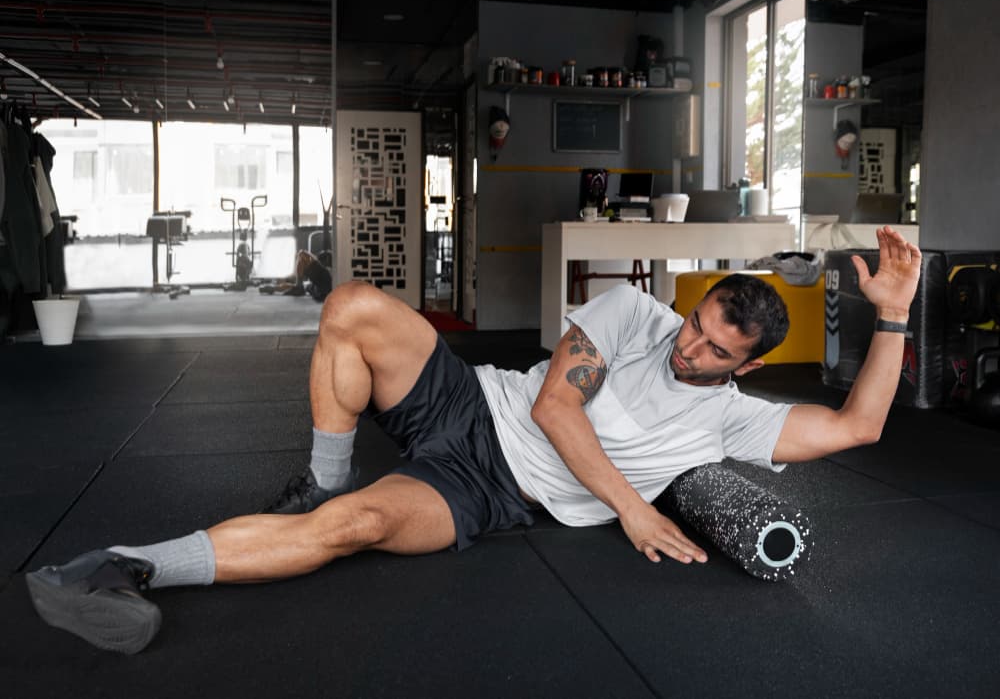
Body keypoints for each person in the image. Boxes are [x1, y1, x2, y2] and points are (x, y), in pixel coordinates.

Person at [26, 226, 922, 654]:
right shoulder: (633, 311)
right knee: (351, 307)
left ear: (749, 366)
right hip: (470, 402)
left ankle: (122, 562)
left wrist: (892, 320)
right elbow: (555, 410)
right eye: (694, 326)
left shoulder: (736, 418)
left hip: (493, 497)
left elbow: (859, 425)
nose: (687, 347)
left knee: (358, 531)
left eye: (715, 351)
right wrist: (632, 512)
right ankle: (320, 473)